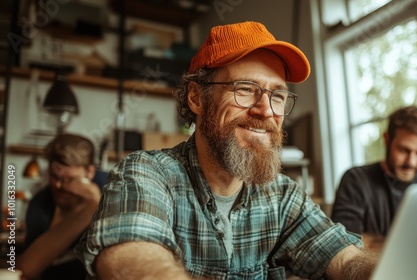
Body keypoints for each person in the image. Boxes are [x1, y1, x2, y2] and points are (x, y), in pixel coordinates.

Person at [76, 21, 378, 279]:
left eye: (278, 95)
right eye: (245, 89)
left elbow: (347, 260)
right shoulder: (147, 174)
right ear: (196, 98)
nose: (265, 110)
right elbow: (133, 261)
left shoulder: (283, 196)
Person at [330, 105, 417, 252]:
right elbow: (344, 244)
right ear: (387, 140)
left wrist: (372, 240)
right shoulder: (356, 179)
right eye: (404, 150)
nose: (411, 161)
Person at [18, 133, 102, 280]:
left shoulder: (112, 186)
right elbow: (27, 268)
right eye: (53, 176)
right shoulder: (41, 203)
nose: (58, 185)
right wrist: (90, 209)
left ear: (90, 172)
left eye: (70, 179)